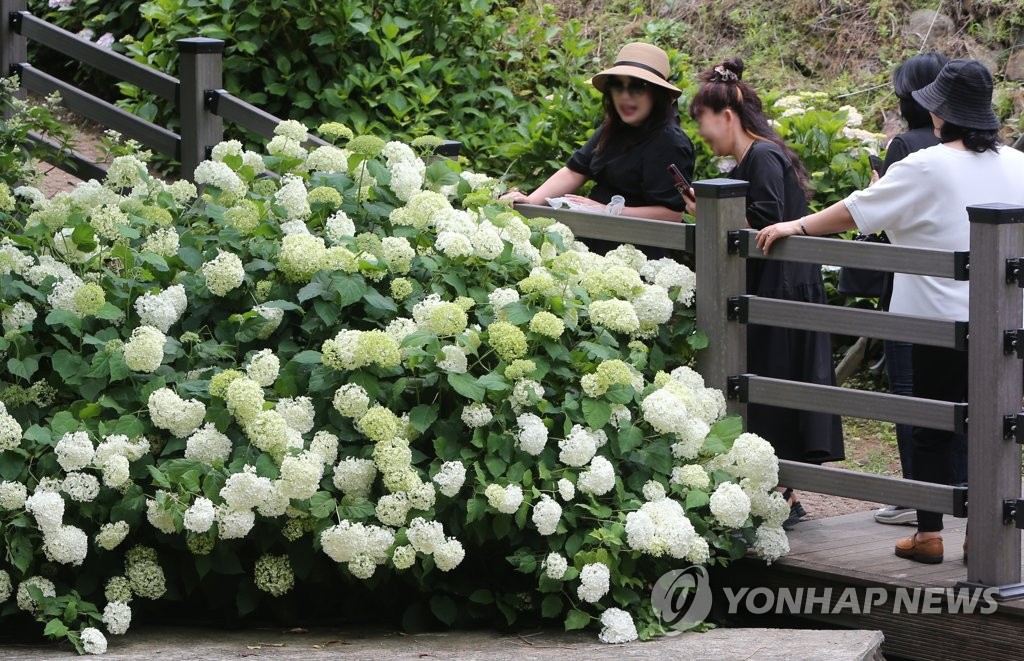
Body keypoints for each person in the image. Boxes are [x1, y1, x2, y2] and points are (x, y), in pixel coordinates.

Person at [756, 59, 1024, 563]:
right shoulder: (1018, 163)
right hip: (1006, 324)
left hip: (934, 321)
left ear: (941, 111)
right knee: (993, 427)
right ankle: (980, 531)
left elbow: (859, 209)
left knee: (929, 425)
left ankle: (929, 534)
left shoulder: (925, 163)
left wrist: (799, 226)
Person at [686, 57, 844, 529]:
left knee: (776, 386)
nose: (703, 135)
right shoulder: (753, 159)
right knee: (767, 387)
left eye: (703, 123)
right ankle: (776, 495)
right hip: (777, 285)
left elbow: (767, 218)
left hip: (783, 287)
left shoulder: (764, 157)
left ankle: (781, 497)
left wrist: (716, 215)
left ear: (726, 115)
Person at [502, 42, 696, 251]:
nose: (624, 95)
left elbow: (671, 214)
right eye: (617, 85)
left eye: (637, 87)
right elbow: (575, 171)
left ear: (657, 94)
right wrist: (530, 201)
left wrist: (608, 211)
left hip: (638, 254)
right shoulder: (614, 128)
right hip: (595, 242)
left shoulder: (669, 142)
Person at [871, 52, 951, 528]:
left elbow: (886, 222)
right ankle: (956, 489)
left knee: (908, 390)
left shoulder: (905, 145)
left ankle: (913, 496)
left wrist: (878, 186)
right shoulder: (974, 148)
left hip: (910, 290)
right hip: (957, 294)